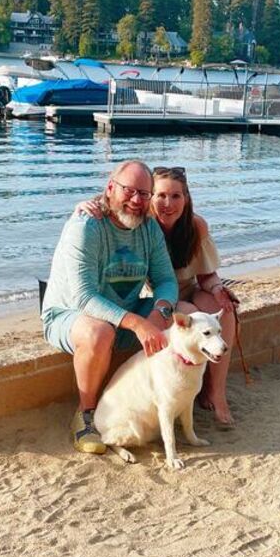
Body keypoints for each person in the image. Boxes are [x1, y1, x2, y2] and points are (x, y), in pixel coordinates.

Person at [75, 166, 238, 426]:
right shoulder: (141, 221)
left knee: (223, 313)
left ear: (187, 198)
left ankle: (216, 392)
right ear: (150, 197)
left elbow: (207, 275)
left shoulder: (195, 226)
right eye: (160, 195)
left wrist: (219, 290)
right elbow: (113, 205)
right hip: (160, 299)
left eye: (176, 196)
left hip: (187, 288)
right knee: (184, 313)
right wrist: (82, 206)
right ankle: (176, 386)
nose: (167, 203)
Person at [41, 160, 179, 455]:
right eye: (129, 191)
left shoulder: (149, 228)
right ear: (110, 188)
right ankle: (86, 415)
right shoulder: (86, 226)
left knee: (185, 317)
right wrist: (138, 324)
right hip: (70, 315)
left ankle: (166, 400)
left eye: (144, 194)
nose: (136, 200)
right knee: (99, 333)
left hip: (124, 312)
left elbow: (166, 280)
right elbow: (84, 297)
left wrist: (160, 312)